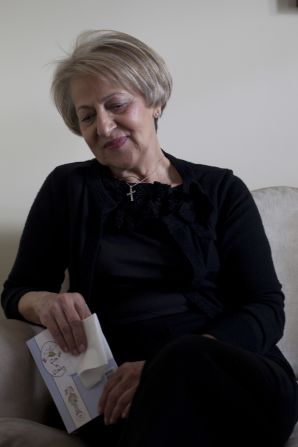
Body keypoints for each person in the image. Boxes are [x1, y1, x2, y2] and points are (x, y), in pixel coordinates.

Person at [1, 29, 298, 447]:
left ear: (155, 102)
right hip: (118, 388)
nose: (103, 125)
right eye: (87, 116)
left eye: (116, 105)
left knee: (184, 356)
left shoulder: (221, 189)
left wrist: (163, 365)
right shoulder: (68, 188)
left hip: (232, 376)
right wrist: (45, 301)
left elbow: (266, 306)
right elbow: (16, 292)